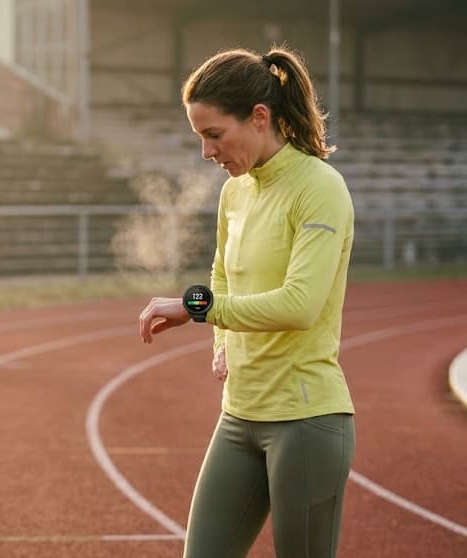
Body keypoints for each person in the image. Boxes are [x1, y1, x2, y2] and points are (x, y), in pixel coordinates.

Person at [138, 45, 356, 558]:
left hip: (306, 421)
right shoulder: (234, 192)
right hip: (239, 416)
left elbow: (301, 305)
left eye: (214, 135)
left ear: (260, 118)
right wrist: (220, 338)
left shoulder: (320, 188)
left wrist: (196, 309)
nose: (206, 152)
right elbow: (222, 273)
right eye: (200, 138)